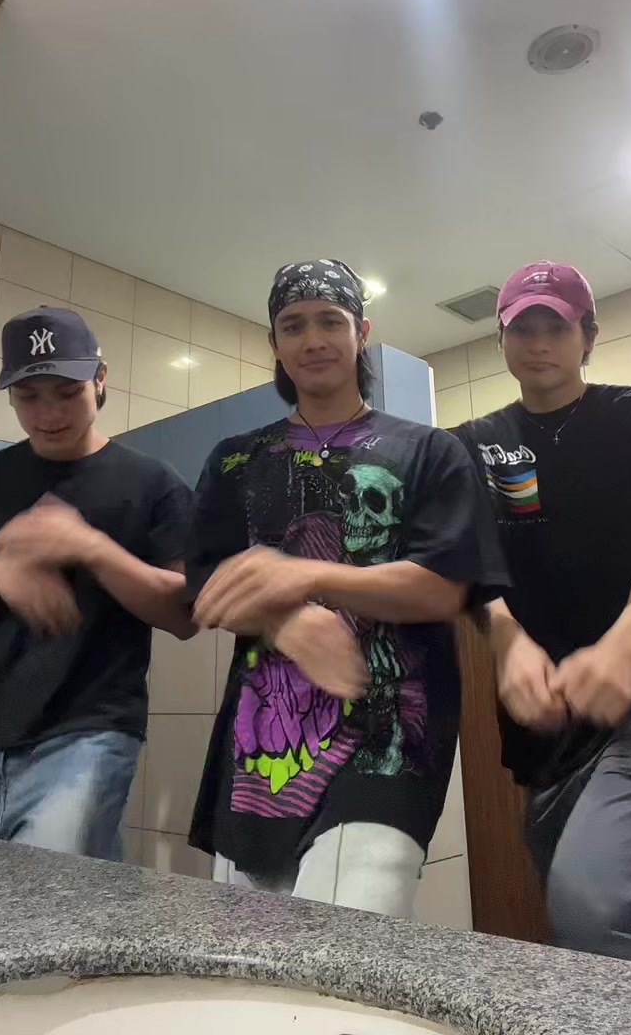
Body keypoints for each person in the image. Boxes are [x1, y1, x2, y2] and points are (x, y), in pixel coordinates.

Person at [187, 259, 506, 918]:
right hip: (262, 747)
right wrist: (287, 622)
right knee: (246, 954)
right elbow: (206, 585)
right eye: (293, 325)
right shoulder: (234, 461)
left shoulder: (429, 452)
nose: (313, 340)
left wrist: (308, 576)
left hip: (388, 744)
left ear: (361, 332)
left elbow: (445, 586)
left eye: (330, 322)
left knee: (344, 951)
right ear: (274, 343)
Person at [454, 261, 631, 966]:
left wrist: (623, 647)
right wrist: (508, 642)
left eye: (557, 326)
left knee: (594, 911)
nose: (539, 342)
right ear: (502, 339)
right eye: (523, 328)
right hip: (545, 726)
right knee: (579, 925)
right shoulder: (473, 444)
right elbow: (473, 569)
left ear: (589, 338)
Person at [0, 306, 194, 859]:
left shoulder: (153, 483)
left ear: (100, 379)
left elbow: (187, 614)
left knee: (50, 900)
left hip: (88, 730)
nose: (49, 413)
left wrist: (91, 548)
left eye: (66, 391)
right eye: (29, 396)